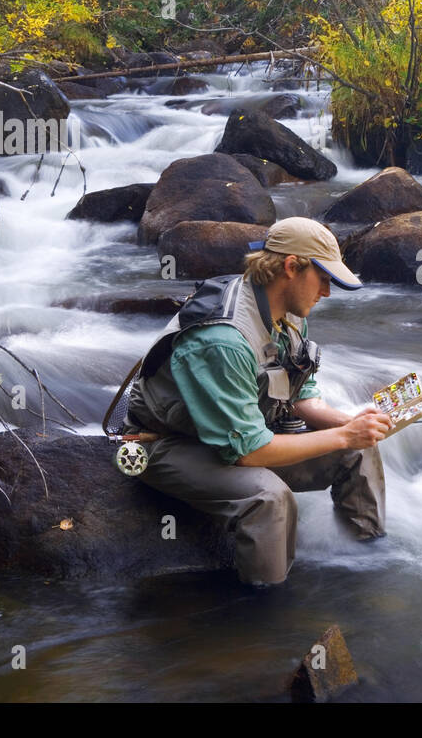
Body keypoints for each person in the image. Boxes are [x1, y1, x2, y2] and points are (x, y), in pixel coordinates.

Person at [122, 217, 392, 586]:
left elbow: (300, 397)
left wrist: (351, 426)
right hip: (167, 445)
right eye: (324, 279)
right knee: (268, 499)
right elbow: (249, 453)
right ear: (290, 267)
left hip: (238, 432)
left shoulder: (291, 314)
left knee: (358, 451)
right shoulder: (223, 339)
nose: (327, 293)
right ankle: (265, 610)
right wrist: (345, 435)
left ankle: (370, 564)